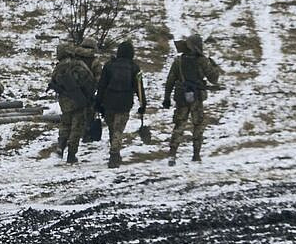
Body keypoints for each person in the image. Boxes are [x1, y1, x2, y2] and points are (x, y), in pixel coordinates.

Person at [161, 34, 221, 164]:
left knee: (179, 125)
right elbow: (214, 79)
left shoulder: (178, 61)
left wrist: (166, 98)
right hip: (197, 99)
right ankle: (196, 155)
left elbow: (170, 80)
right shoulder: (203, 61)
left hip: (181, 97)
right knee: (198, 125)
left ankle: (172, 154)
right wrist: (215, 66)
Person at [94, 41, 147, 168]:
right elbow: (139, 87)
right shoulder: (134, 67)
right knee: (118, 129)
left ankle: (114, 152)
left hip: (109, 102)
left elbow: (101, 86)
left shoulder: (109, 65)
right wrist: (142, 104)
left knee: (113, 129)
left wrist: (98, 103)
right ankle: (114, 155)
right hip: (124, 103)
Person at [48, 41, 97, 164]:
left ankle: (61, 145)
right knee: (77, 128)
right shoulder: (78, 64)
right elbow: (90, 79)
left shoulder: (58, 67)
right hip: (79, 101)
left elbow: (53, 81)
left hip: (64, 102)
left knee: (65, 124)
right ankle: (71, 154)